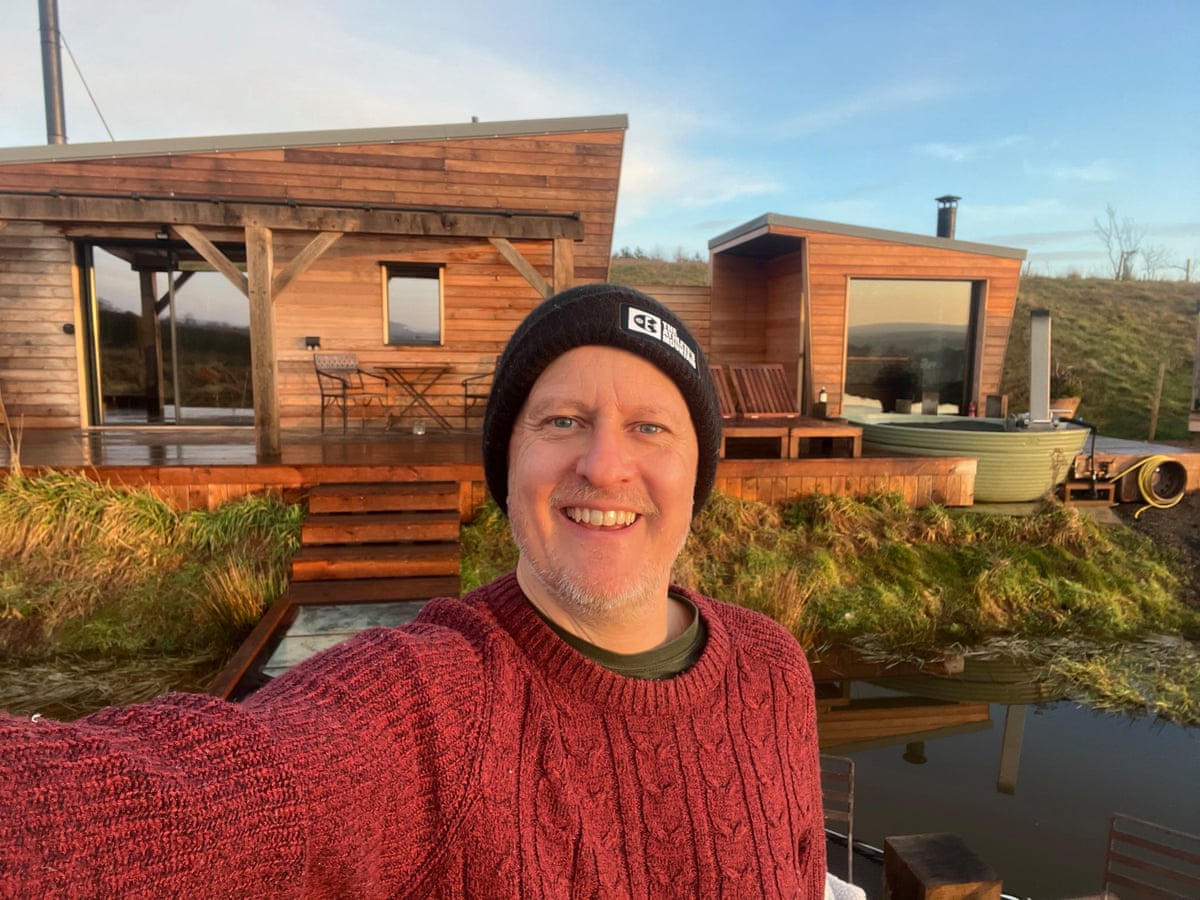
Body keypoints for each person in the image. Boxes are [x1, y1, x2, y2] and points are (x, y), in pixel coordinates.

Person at [0, 283, 826, 897]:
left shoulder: (773, 665)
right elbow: (188, 803)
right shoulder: (431, 702)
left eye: (651, 426)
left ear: (699, 474)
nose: (604, 464)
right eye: (562, 421)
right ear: (507, 465)